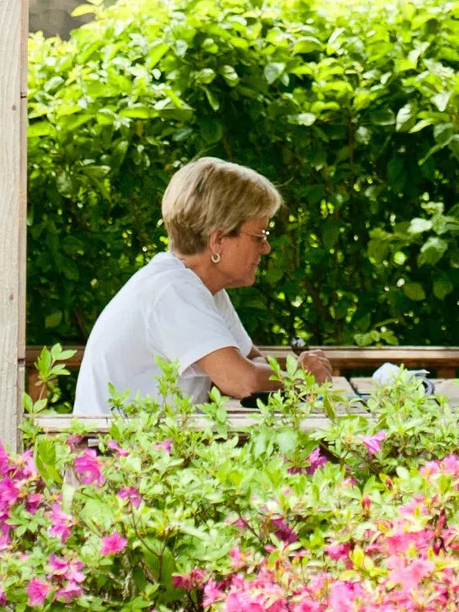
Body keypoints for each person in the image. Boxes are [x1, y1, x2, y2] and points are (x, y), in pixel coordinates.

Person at [73, 156, 339, 417]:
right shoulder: (173, 290)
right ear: (218, 240)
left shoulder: (203, 289)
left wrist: (267, 376)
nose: (266, 248)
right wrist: (299, 377)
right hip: (108, 455)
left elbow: (253, 361)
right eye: (259, 236)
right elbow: (243, 380)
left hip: (141, 452)